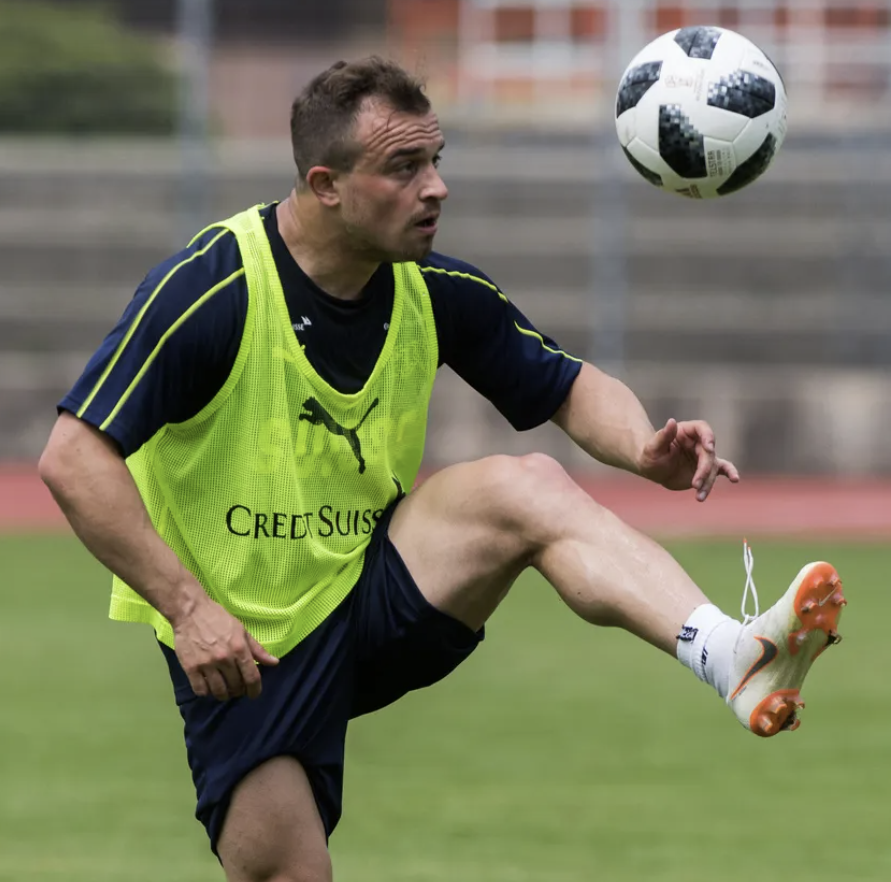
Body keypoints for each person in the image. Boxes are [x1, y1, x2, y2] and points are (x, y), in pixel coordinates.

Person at [39, 57, 846, 882]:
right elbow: (73, 457)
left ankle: (728, 653)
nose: (435, 189)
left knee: (525, 487)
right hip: (247, 650)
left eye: (436, 161)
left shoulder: (431, 285)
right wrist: (187, 609)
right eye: (402, 168)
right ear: (325, 184)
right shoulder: (211, 290)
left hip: (378, 592)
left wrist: (642, 448)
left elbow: (565, 384)